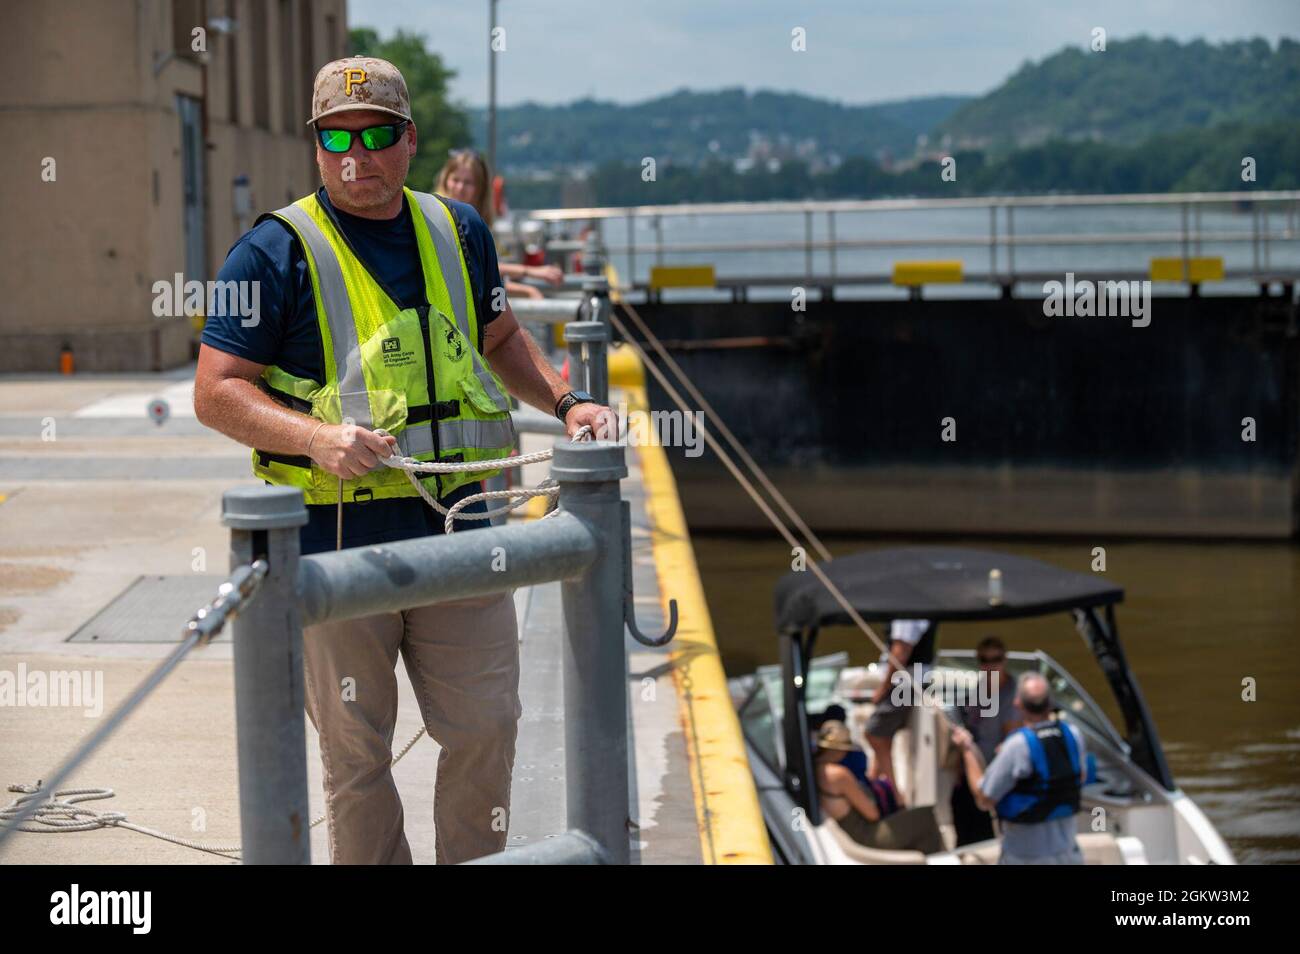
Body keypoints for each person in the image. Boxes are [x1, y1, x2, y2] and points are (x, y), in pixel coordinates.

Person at [194, 56, 615, 864]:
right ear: (315, 144)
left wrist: (569, 403)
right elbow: (217, 392)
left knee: (488, 724)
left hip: (462, 531)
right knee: (358, 758)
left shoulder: (459, 233)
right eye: (336, 137)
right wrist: (316, 438)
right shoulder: (271, 253)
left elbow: (499, 339)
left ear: (409, 139)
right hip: (337, 547)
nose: (356, 154)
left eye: (376, 134)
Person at [951, 671, 1089, 865]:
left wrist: (966, 749)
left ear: (1018, 704)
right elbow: (1080, 777)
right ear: (1050, 703)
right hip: (1069, 855)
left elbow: (984, 798)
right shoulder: (1073, 735)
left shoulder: (1017, 746)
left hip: (1025, 858)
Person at [434, 148, 563, 299]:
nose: (460, 188)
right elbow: (480, 273)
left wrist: (522, 293)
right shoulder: (439, 220)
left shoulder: (473, 222)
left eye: (468, 183)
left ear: (480, 190)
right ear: (445, 180)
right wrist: (529, 278)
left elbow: (487, 281)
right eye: (455, 180)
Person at [816, 721, 944, 854]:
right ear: (840, 750)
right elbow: (873, 814)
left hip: (850, 834)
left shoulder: (817, 770)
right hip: (865, 837)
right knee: (926, 816)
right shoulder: (838, 774)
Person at [951, 635, 1020, 844]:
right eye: (984, 660)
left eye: (996, 659)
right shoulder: (979, 689)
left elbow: (1011, 741)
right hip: (973, 762)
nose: (990, 666)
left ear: (1004, 660)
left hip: (996, 770)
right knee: (958, 804)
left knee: (982, 819)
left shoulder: (1012, 694)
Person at [866, 618, 937, 784]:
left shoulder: (906, 614)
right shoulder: (919, 606)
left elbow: (901, 652)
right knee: (884, 735)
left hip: (905, 684)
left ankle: (894, 795)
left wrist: (883, 688)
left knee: (873, 734)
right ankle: (875, 779)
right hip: (917, 681)